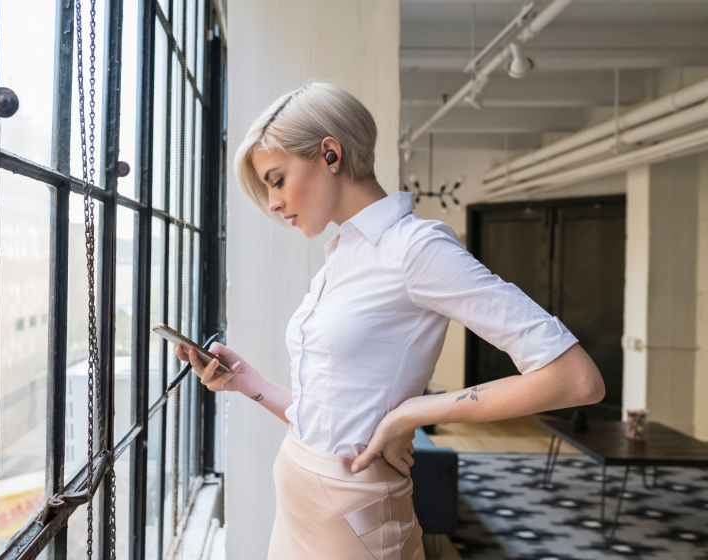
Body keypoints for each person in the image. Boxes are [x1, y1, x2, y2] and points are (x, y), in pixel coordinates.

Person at [176, 81, 604, 560]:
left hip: (353, 524)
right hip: (300, 501)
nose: (273, 202)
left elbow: (575, 379)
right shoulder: (343, 253)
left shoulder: (416, 249)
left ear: (330, 154)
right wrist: (248, 383)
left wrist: (412, 413)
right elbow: (331, 421)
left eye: (276, 179)